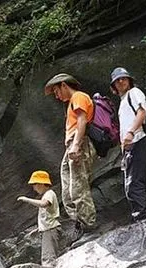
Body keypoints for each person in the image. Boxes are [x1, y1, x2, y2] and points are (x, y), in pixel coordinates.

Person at [44, 73, 97, 240]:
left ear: (64, 85)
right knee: (67, 190)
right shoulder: (72, 102)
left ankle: (89, 225)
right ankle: (79, 222)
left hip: (78, 144)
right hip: (71, 147)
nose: (57, 96)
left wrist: (75, 145)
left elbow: (82, 121)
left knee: (78, 188)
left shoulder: (79, 97)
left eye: (56, 91)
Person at [110, 67, 146, 222]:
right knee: (133, 184)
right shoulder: (123, 101)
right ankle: (144, 218)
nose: (121, 81)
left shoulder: (134, 93)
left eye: (123, 78)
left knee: (134, 184)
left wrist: (131, 132)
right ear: (113, 86)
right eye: (117, 80)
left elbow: (142, 112)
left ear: (129, 80)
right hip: (132, 146)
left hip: (139, 141)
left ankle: (143, 219)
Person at [17, 170, 62, 267]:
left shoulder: (49, 193)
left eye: (35, 184)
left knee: (48, 257)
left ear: (41, 183)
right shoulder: (47, 194)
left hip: (50, 229)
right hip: (48, 229)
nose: (34, 188)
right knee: (48, 255)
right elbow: (47, 216)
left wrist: (27, 199)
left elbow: (44, 204)